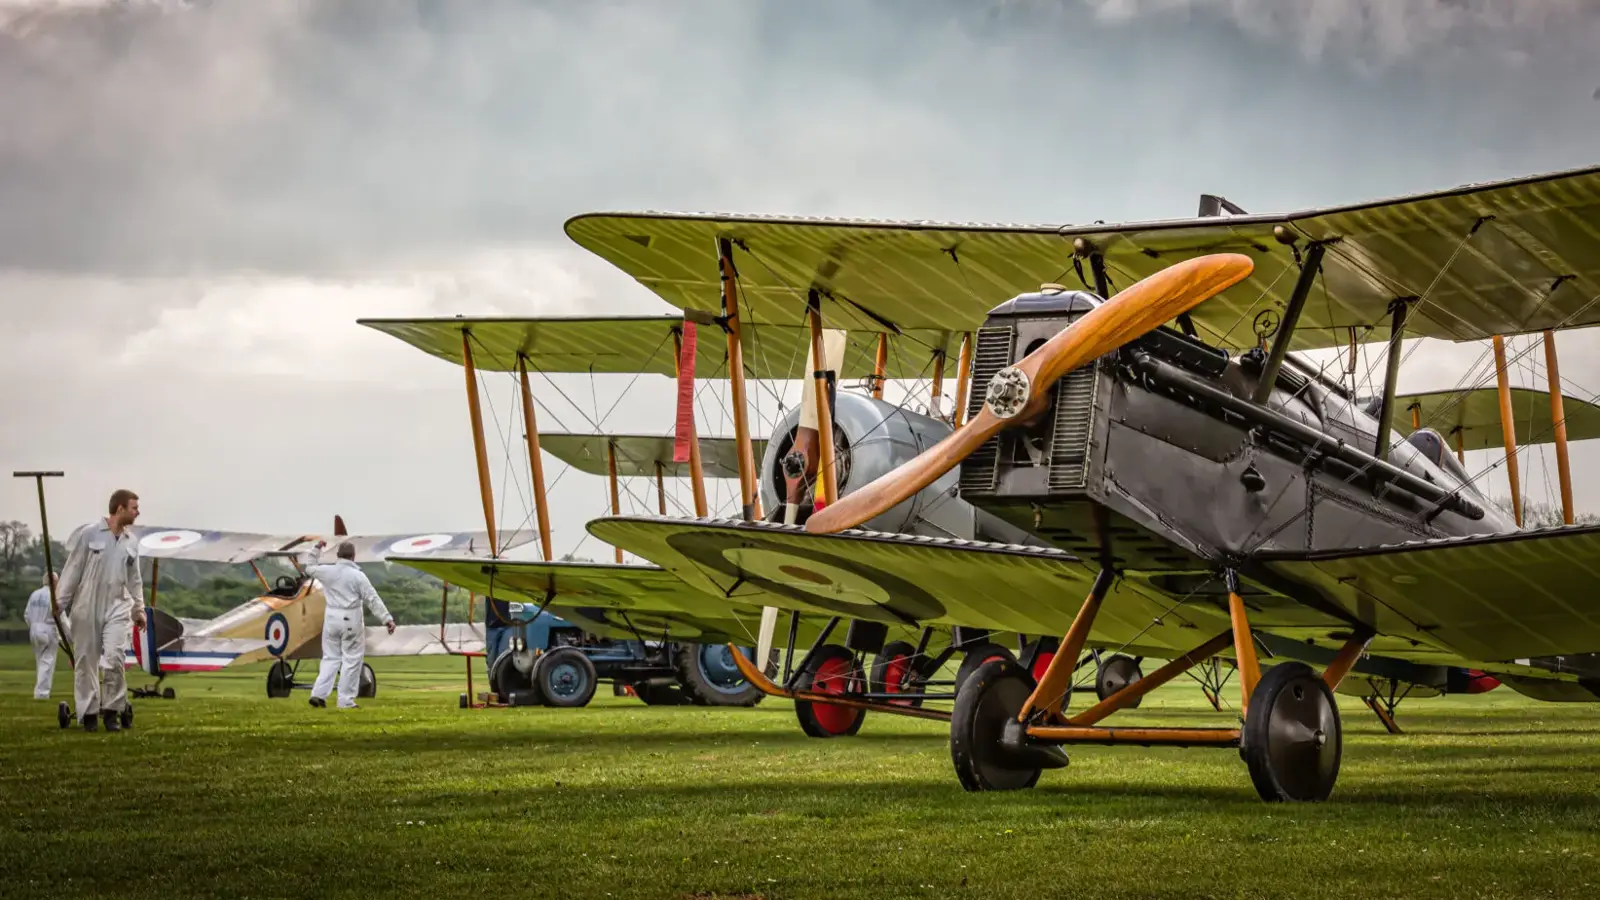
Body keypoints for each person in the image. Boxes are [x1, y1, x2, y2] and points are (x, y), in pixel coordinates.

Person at [57, 489, 145, 732]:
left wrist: (139, 609)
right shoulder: (90, 534)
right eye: (134, 508)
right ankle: (89, 713)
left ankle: (112, 712)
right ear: (120, 508)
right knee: (86, 661)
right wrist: (59, 603)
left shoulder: (131, 543)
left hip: (118, 605)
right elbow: (72, 570)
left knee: (115, 658)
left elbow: (135, 580)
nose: (138, 512)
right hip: (86, 606)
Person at [299, 539, 395, 709]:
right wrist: (387, 619)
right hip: (351, 619)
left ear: (337, 555)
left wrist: (317, 549)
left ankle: (318, 695)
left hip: (331, 619)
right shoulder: (358, 576)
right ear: (353, 556)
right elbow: (372, 599)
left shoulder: (327, 572)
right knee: (351, 660)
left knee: (330, 658)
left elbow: (310, 567)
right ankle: (345, 700)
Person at [25, 572, 66, 699]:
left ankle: (39, 690)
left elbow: (27, 614)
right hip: (48, 629)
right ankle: (41, 693)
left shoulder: (34, 594)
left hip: (34, 629)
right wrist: (70, 637)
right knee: (47, 661)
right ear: (54, 582)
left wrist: (33, 627)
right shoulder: (54, 596)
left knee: (40, 661)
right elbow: (62, 618)